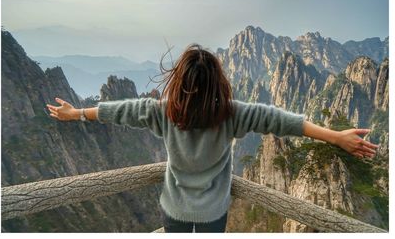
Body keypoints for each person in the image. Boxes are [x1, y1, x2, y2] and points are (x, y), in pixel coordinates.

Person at [46, 44, 378, 233]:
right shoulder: (232, 114)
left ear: (178, 84)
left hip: (174, 211)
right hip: (213, 213)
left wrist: (75, 113)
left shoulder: (162, 112)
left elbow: (117, 111)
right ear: (218, 83)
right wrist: (336, 137)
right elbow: (285, 122)